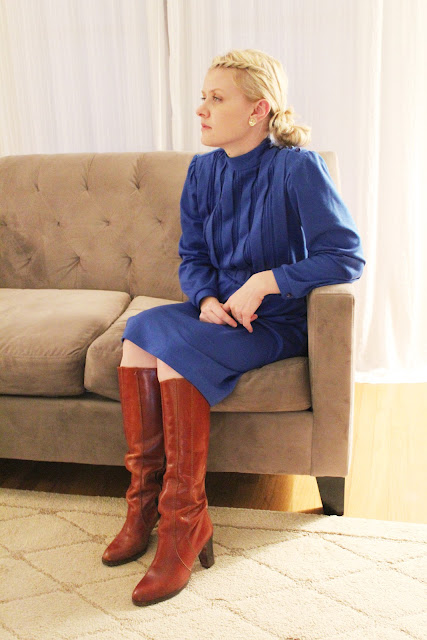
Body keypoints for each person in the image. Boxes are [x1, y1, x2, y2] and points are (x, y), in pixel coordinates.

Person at [101, 48, 365, 607]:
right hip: (220, 315)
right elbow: (193, 255)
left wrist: (267, 281)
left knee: (170, 351)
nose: (201, 108)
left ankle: (184, 521)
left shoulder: (298, 167)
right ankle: (143, 503)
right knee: (139, 336)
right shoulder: (203, 170)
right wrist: (203, 298)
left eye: (216, 98)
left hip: (275, 322)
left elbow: (346, 256)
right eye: (203, 96)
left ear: (257, 110)